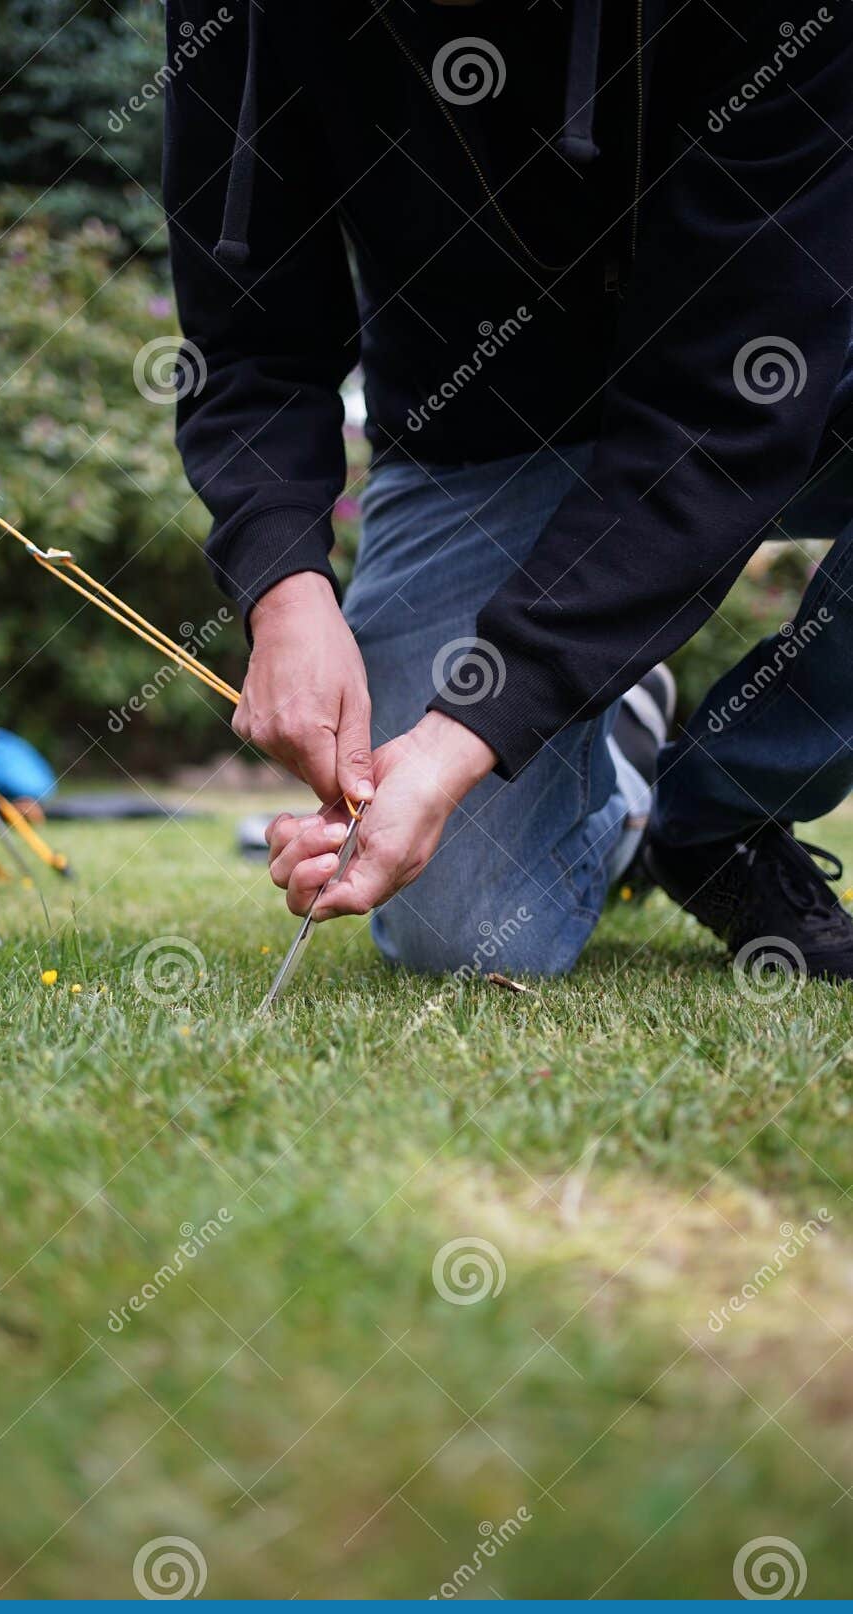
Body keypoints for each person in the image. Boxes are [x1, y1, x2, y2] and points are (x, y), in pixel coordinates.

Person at [163, 0, 853, 978]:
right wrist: (282, 587)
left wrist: (462, 740)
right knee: (459, 931)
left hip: (781, 382)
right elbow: (247, 337)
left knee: (450, 779)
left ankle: (725, 811)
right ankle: (614, 732)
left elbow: (722, 407)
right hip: (479, 432)